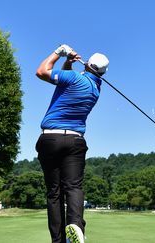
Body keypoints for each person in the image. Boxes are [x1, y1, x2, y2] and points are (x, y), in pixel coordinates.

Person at [36, 44, 109, 243]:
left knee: (54, 192)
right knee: (74, 187)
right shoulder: (95, 88)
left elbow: (41, 71)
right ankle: (76, 226)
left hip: (50, 138)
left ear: (88, 65)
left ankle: (58, 240)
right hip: (76, 140)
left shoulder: (75, 78)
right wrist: (68, 62)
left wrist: (59, 52)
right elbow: (66, 82)